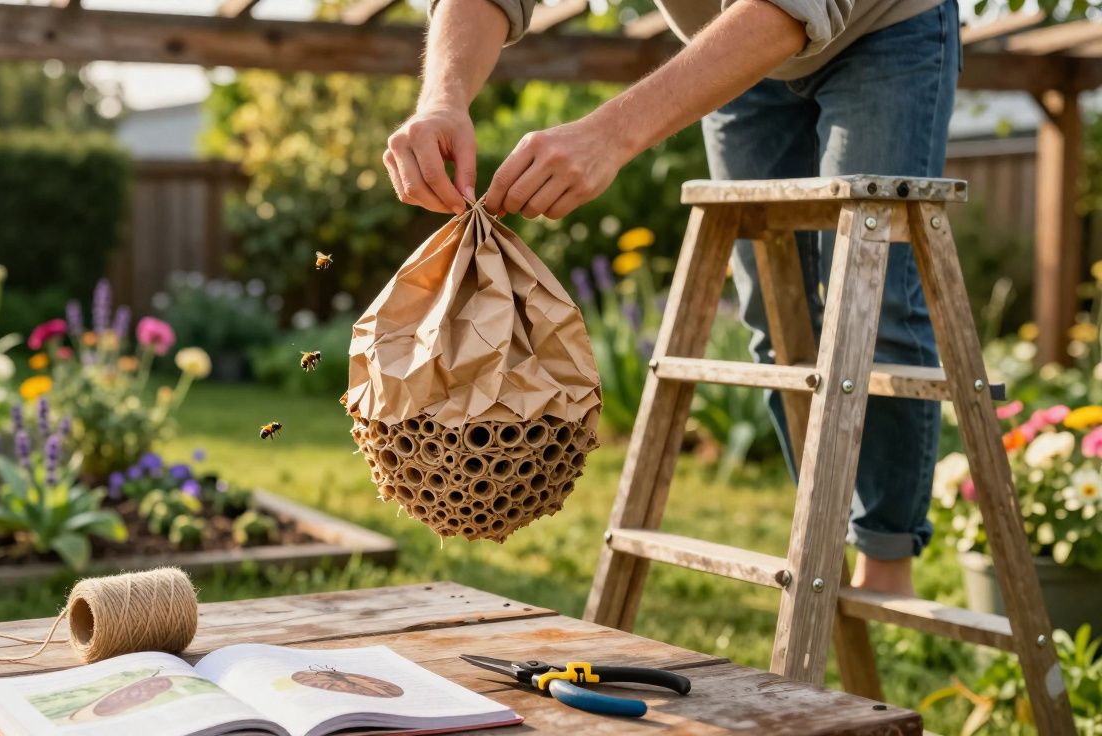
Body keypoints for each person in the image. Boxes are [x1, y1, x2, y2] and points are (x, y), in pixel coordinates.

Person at [383, 0, 961, 595]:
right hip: (735, 52)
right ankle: (828, 526)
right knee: (772, 311)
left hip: (880, 29)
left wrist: (609, 135)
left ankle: (886, 557)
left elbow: (792, 9)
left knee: (875, 303)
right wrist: (442, 100)